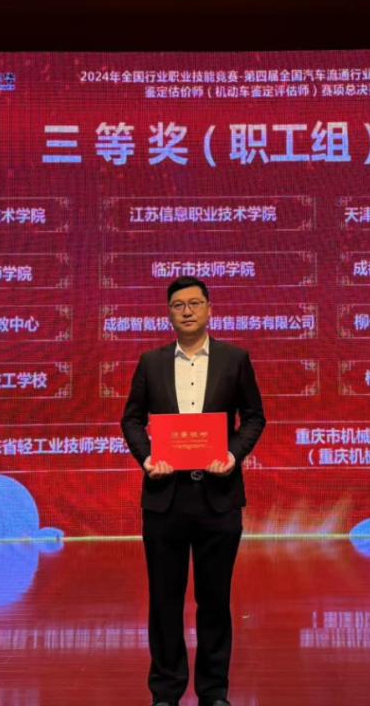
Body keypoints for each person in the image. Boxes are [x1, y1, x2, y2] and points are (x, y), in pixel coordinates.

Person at [121, 276, 266, 706]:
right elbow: (131, 419)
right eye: (178, 305)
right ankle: (165, 692)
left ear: (209, 310)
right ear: (169, 314)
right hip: (164, 498)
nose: (187, 311)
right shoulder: (151, 363)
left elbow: (254, 418)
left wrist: (233, 454)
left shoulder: (234, 359)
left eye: (195, 303)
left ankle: (213, 692)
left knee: (215, 601)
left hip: (218, 498)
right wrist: (148, 457)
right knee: (164, 601)